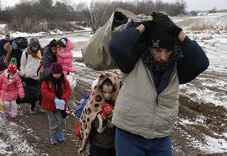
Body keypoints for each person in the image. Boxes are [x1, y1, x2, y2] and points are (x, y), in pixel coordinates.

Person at [108, 12, 209, 156]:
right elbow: (116, 45)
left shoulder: (176, 66)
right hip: (129, 135)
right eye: (158, 50)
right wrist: (144, 26)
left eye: (167, 51)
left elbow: (202, 62)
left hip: (161, 138)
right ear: (148, 46)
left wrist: (178, 31)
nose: (163, 56)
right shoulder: (132, 59)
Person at [78, 72, 121, 156]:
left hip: (113, 143)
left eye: (110, 92)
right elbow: (93, 123)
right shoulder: (94, 102)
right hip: (98, 144)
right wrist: (103, 115)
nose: (107, 96)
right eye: (105, 92)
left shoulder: (119, 102)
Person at [41, 62, 72, 145]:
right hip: (50, 105)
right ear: (52, 72)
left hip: (61, 105)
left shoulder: (64, 80)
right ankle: (53, 136)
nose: (57, 75)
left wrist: (63, 99)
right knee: (52, 121)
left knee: (62, 120)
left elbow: (68, 90)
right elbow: (44, 91)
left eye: (58, 73)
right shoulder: (47, 80)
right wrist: (54, 98)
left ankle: (60, 132)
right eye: (55, 73)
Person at [20, 38, 43, 113]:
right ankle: (32, 107)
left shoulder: (41, 52)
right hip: (28, 76)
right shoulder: (26, 53)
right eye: (33, 46)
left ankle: (40, 105)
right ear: (30, 46)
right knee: (31, 92)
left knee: (39, 92)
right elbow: (22, 64)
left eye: (36, 46)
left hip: (38, 76)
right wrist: (23, 73)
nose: (34, 48)